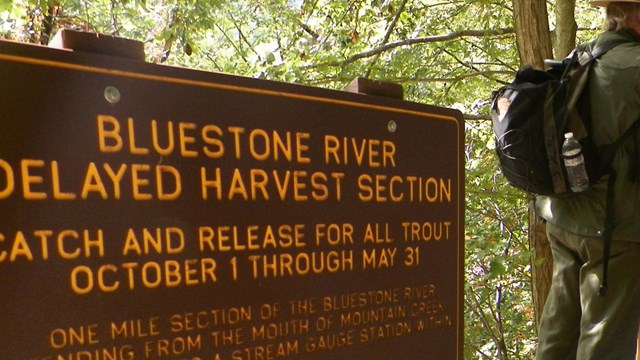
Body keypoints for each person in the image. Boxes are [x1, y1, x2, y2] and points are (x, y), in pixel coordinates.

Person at [534, 1, 640, 359]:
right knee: (604, 343)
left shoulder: (579, 55)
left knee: (558, 333)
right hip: (613, 231)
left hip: (562, 216)